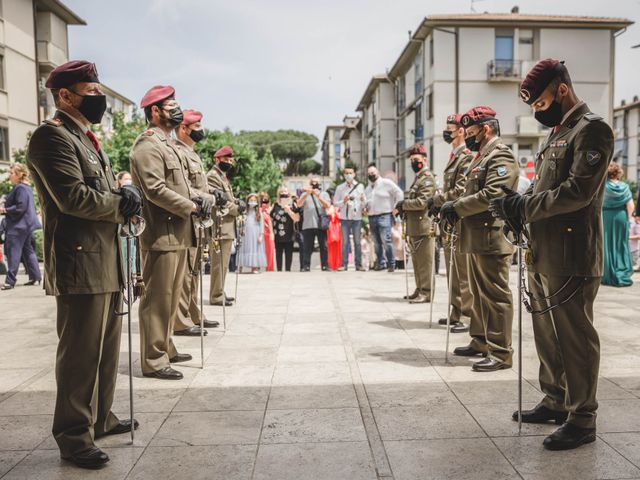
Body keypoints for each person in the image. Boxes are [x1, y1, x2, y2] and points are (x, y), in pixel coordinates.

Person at [490, 58, 614, 450]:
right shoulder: (559, 133)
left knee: (575, 338)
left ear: (562, 89)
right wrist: (516, 203)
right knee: (547, 334)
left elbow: (578, 191)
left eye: (541, 104)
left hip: (573, 253)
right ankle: (557, 400)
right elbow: (545, 188)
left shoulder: (592, 130)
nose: (538, 112)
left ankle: (582, 417)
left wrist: (524, 208)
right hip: (544, 251)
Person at [27, 60, 141, 469]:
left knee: (107, 351)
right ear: (65, 95)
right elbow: (73, 198)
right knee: (80, 354)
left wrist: (122, 196)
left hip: (106, 258)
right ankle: (75, 437)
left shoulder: (87, 139)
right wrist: (120, 204)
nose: (99, 99)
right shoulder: (51, 137)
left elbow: (101, 193)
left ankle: (101, 418)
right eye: (90, 92)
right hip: (80, 261)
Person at [130, 85, 205, 380]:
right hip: (160, 235)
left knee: (172, 298)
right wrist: (190, 207)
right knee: (157, 300)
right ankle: (154, 359)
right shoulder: (147, 144)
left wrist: (197, 200)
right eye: (171, 105)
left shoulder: (169, 145)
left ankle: (166, 346)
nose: (177, 109)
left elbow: (180, 186)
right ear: (155, 112)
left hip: (178, 233)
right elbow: (154, 189)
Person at [440, 106, 518, 372]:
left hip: (492, 238)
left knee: (495, 295)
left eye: (472, 132)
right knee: (477, 294)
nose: (469, 137)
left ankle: (500, 353)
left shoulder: (501, 155)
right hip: (476, 237)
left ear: (486, 129)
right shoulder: (480, 157)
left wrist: (457, 207)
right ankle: (480, 340)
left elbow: (494, 194)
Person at [173, 109, 221, 336]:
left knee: (193, 271)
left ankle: (192, 313)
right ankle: (181, 320)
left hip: (199, 219)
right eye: (197, 126)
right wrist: (210, 198)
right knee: (185, 274)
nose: (201, 130)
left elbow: (199, 187)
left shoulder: (192, 153)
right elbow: (184, 189)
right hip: (188, 217)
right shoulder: (178, 152)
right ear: (183, 129)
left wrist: (213, 194)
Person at [430, 114, 474, 332]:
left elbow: (460, 190)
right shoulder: (454, 156)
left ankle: (466, 315)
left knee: (462, 270)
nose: (446, 132)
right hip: (449, 221)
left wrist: (437, 199)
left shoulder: (465, 157)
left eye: (450, 129)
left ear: (461, 131)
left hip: (460, 220)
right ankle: (455, 311)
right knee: (451, 269)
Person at [395, 144, 436, 303]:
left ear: (425, 159)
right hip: (415, 227)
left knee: (425, 263)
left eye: (416, 160)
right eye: (412, 160)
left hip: (424, 227)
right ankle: (419, 289)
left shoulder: (427, 178)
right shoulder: (419, 178)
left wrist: (404, 204)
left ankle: (426, 292)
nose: (413, 162)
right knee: (417, 262)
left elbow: (422, 202)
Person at [207, 146, 245, 304]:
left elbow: (228, 198)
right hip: (220, 225)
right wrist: (236, 208)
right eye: (226, 160)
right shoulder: (213, 176)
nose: (229, 162)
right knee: (219, 263)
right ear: (217, 160)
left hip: (227, 225)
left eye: (230, 160)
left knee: (223, 263)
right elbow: (219, 202)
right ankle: (216, 296)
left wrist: (237, 201)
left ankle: (220, 291)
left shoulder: (222, 176)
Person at [0, 163, 42, 290]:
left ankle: (9, 281)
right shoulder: (26, 188)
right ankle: (35, 277)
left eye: (12, 173)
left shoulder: (20, 188)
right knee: (28, 251)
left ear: (19, 175)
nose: (10, 175)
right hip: (26, 226)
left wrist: (4, 210)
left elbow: (20, 207)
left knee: (13, 252)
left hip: (18, 227)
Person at [364, 164, 404, 272]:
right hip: (372, 216)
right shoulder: (368, 189)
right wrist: (365, 207)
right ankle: (380, 263)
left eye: (373, 173)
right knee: (376, 242)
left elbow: (399, 193)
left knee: (386, 240)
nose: (371, 175)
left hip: (384, 215)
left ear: (378, 172)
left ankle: (391, 263)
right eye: (369, 174)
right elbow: (366, 202)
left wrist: (397, 207)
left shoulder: (386, 183)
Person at [601, 163, 634, 287]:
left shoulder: (603, 186)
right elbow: (631, 206)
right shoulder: (625, 186)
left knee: (607, 245)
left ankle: (607, 274)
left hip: (606, 217)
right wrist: (629, 219)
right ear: (618, 173)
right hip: (621, 216)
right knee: (621, 244)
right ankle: (622, 273)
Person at [333, 167, 365, 271]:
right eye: (346, 173)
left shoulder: (360, 186)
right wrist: (344, 201)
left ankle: (358, 265)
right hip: (344, 218)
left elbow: (364, 203)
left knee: (357, 242)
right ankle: (344, 264)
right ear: (344, 175)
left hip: (357, 218)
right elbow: (335, 203)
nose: (348, 175)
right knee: (345, 242)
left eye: (350, 173)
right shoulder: (340, 188)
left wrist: (363, 200)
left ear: (354, 174)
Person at [297, 177, 331, 271]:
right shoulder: (304, 194)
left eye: (316, 183)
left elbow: (327, 206)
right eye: (312, 183)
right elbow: (299, 204)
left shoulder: (324, 194)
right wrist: (306, 194)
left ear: (320, 184)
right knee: (307, 247)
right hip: (308, 224)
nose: (314, 184)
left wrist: (318, 196)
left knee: (323, 246)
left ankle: (325, 265)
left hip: (320, 224)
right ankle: (306, 266)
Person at [270, 186, 300, 271]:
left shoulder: (292, 204)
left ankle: (288, 271)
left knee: (289, 255)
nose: (283, 193)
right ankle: (279, 271)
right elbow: (270, 218)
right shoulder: (275, 204)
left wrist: (289, 210)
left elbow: (297, 219)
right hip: (277, 234)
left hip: (289, 234)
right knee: (278, 255)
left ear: (288, 193)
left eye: (285, 192)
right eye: (281, 192)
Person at [238, 193, 267, 273]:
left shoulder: (259, 212)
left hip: (255, 233)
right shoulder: (244, 211)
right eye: (251, 200)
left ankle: (254, 267)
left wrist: (261, 235)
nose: (252, 202)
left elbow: (261, 224)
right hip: (246, 234)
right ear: (247, 201)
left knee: (254, 249)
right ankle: (240, 267)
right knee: (244, 249)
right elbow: (241, 222)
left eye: (254, 200)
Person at [259, 192, 275, 271]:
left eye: (266, 199)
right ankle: (256, 267)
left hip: (268, 232)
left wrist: (272, 233)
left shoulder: (270, 208)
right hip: (260, 232)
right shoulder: (258, 209)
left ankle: (269, 268)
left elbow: (270, 221)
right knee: (258, 251)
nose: (264, 200)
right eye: (262, 199)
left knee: (270, 250)